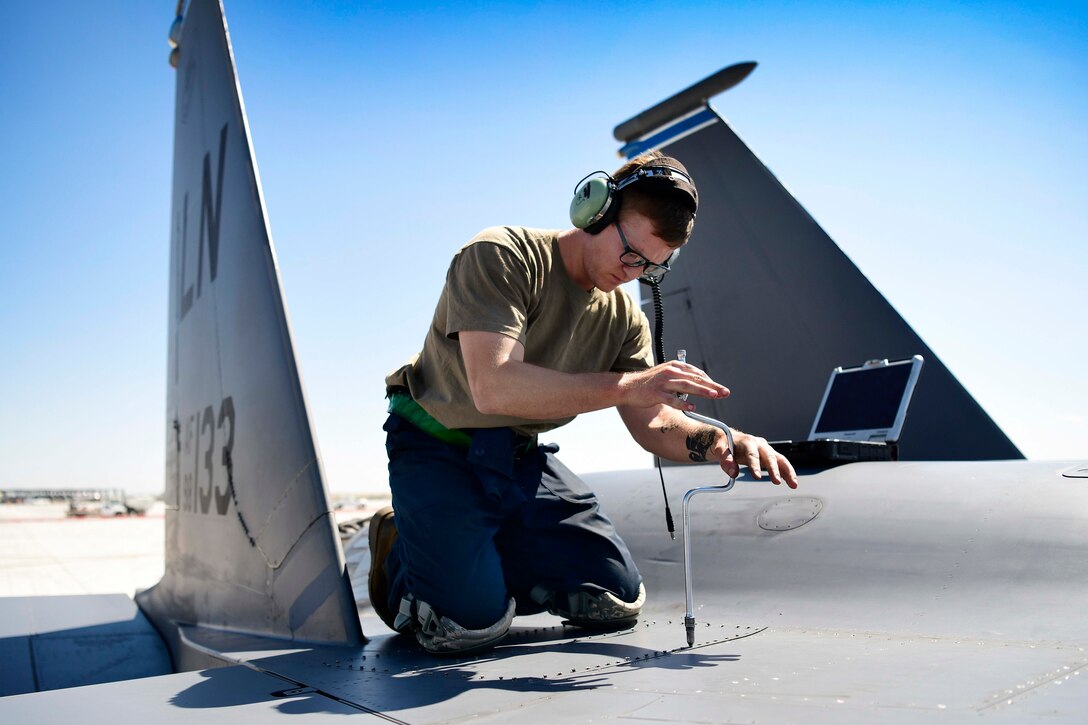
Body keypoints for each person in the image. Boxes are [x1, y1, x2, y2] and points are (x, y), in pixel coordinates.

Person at [369, 151, 798, 654]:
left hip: (517, 455)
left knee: (614, 597)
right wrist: (625, 386)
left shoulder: (623, 318)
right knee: (466, 628)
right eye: (630, 254)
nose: (633, 272)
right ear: (595, 209)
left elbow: (652, 422)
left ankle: (472, 551)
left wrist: (727, 441)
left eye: (652, 266)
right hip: (436, 444)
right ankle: (403, 549)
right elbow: (494, 387)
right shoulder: (502, 256)